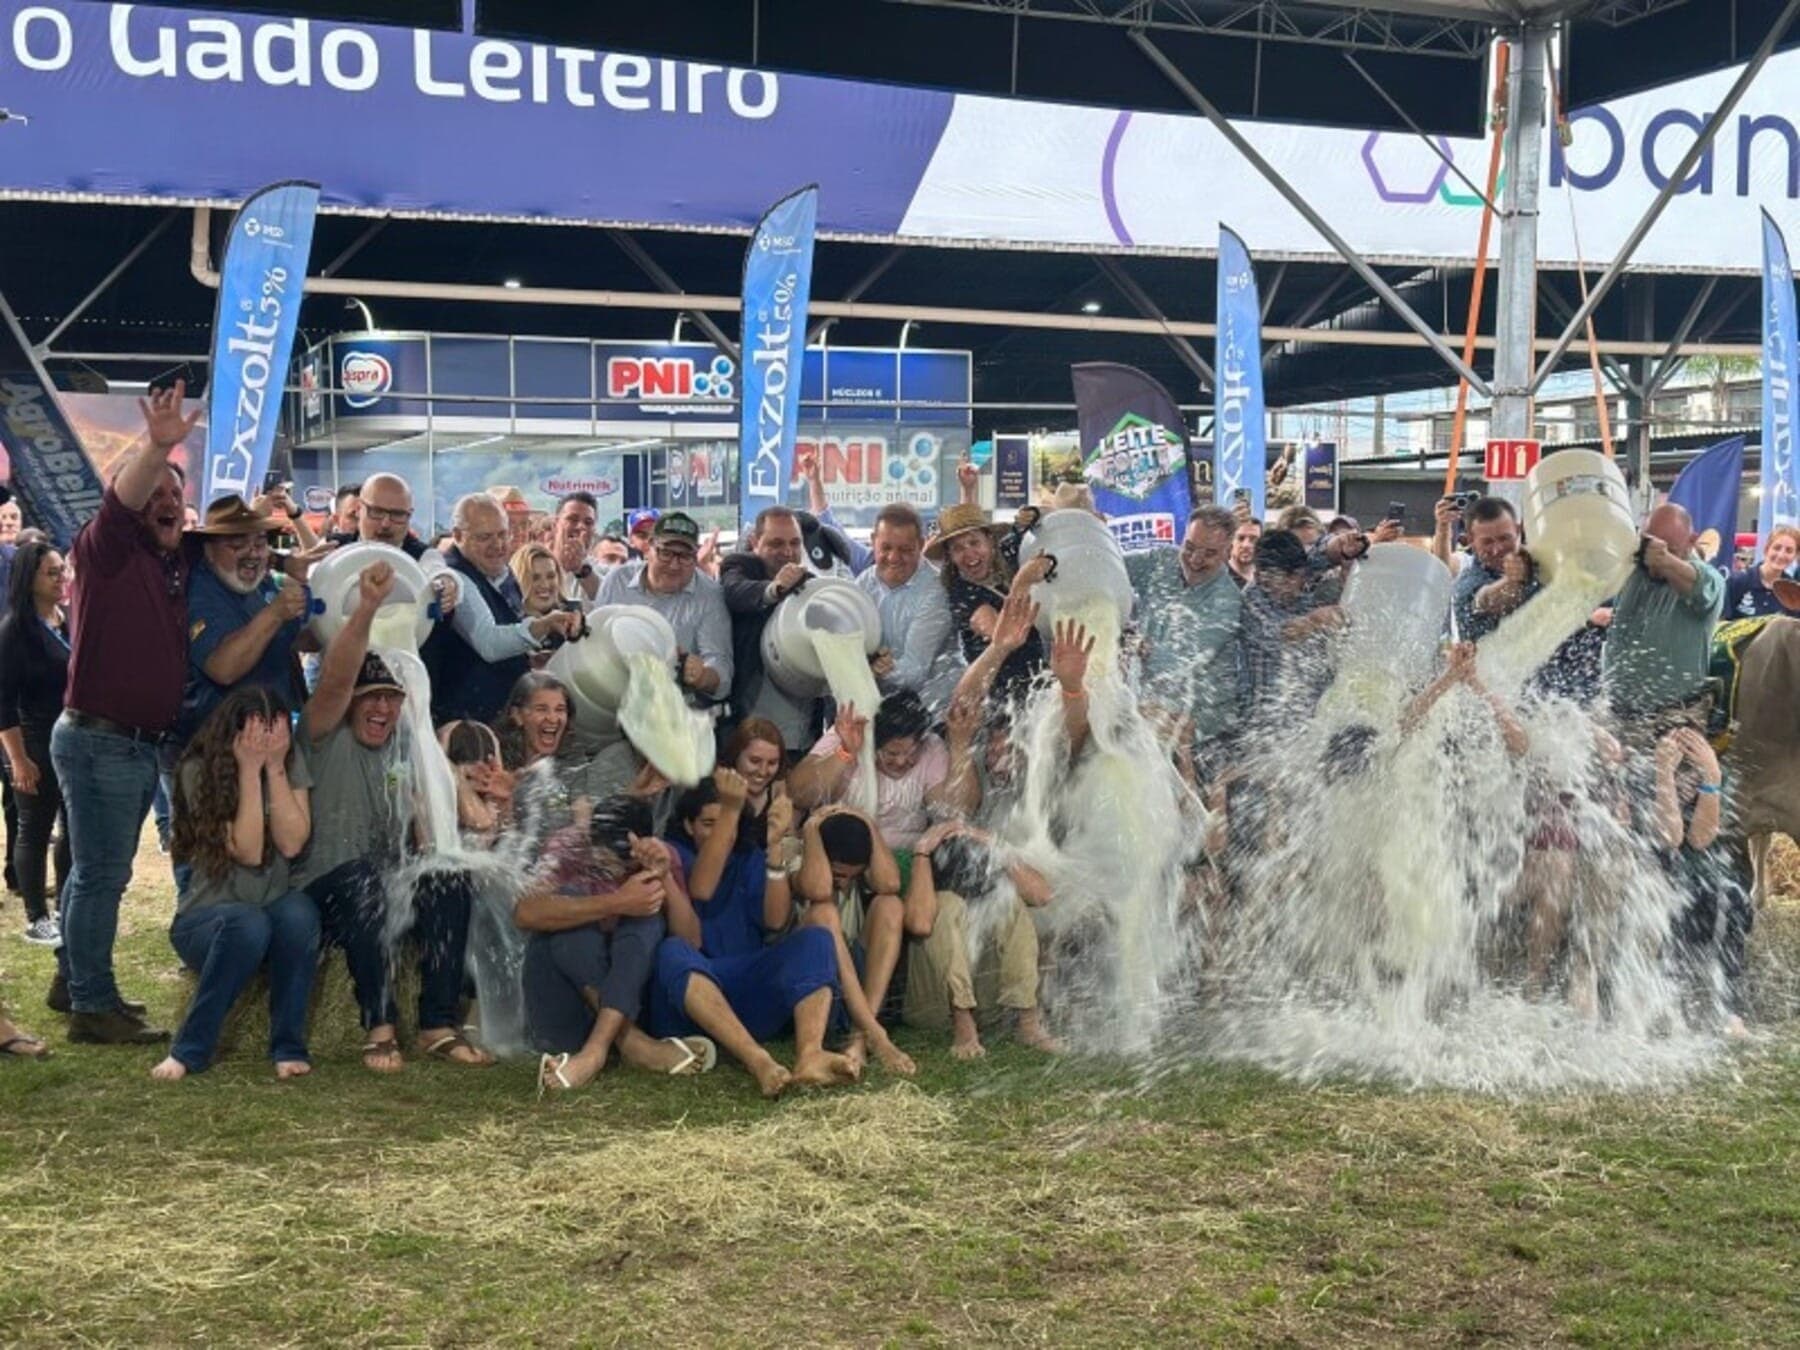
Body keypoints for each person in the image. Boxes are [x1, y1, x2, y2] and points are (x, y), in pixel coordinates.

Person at [297, 559, 492, 1072]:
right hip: (320, 892)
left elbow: (451, 820)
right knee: (365, 877)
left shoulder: (404, 745)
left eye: (392, 698)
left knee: (448, 872)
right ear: (348, 703)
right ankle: (379, 1026)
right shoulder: (321, 734)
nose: (382, 708)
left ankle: (437, 1022)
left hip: (381, 886)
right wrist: (366, 606)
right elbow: (337, 679)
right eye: (371, 697)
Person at [48, 381, 198, 1045]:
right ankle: (93, 1005)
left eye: (175, 494)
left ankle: (73, 978)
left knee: (92, 871)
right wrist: (159, 445)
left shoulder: (169, 564)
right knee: (104, 875)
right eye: (153, 494)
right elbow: (122, 499)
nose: (165, 503)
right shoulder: (104, 549)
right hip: (102, 740)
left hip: (131, 744)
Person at [646, 775, 855, 1096]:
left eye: (725, 822)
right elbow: (700, 896)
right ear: (688, 826)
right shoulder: (674, 854)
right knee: (672, 951)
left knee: (816, 939)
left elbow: (775, 921)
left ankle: (810, 1053)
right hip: (694, 998)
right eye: (707, 823)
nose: (720, 833)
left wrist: (774, 847)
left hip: (749, 983)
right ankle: (756, 1059)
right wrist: (730, 810)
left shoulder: (748, 858)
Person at [154, 687, 318, 1081]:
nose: (266, 743)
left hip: (269, 908)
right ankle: (190, 1049)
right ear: (234, 733)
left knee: (300, 913)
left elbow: (292, 843)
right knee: (248, 923)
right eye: (256, 732)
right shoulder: (198, 771)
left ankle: (288, 1046)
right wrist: (248, 772)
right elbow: (247, 850)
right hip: (209, 920)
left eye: (275, 731)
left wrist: (275, 770)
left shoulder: (288, 763)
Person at [523, 793, 717, 1092]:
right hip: (564, 1008)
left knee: (648, 917)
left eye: (621, 861)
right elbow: (524, 912)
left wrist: (662, 877)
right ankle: (630, 1042)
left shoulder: (659, 855)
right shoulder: (567, 846)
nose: (611, 869)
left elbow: (691, 940)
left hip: (633, 1000)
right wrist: (616, 902)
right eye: (603, 857)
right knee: (574, 912)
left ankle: (598, 1049)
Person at [422, 494, 581, 725]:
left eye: (502, 534)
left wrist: (529, 659)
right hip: (464, 725)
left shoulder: (503, 572)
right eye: (485, 537)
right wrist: (543, 625)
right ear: (457, 536)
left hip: (503, 718)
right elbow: (489, 643)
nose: (497, 545)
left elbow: (510, 630)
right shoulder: (454, 577)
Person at [177, 495, 310, 747]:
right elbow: (223, 668)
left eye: (260, 543)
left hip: (272, 739)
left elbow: (300, 639)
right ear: (209, 550)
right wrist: (274, 614)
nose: (253, 553)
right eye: (237, 543)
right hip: (216, 748)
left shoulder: (262, 583)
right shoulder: (199, 591)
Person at [1125, 504, 1244, 756]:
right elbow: (1111, 566)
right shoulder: (1161, 561)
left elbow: (1184, 661)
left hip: (1205, 730)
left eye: (1209, 553)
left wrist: (1137, 646)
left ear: (1228, 552)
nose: (1195, 560)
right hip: (1151, 712)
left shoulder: (1228, 601)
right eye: (1189, 547)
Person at [0, 540, 70, 946]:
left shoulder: (66, 619)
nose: (61, 578)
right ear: (30, 579)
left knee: (71, 828)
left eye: (63, 570)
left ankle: (64, 904)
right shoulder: (15, 631)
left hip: (69, 739)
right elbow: (3, 703)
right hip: (33, 739)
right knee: (34, 828)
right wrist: (19, 760)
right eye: (52, 572)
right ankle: (36, 915)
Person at [788, 690, 953, 857]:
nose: (901, 762)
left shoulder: (931, 746)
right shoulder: (848, 731)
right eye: (892, 753)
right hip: (841, 852)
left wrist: (961, 742)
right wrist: (845, 752)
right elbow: (799, 796)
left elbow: (948, 812)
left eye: (911, 753)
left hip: (907, 855)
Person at [595, 512, 733, 710]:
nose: (674, 565)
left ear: (695, 558)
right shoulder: (617, 581)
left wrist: (702, 675)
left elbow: (722, 670)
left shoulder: (709, 595)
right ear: (648, 548)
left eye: (685, 556)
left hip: (675, 714)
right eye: (666, 553)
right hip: (613, 704)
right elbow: (595, 640)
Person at [1603, 503, 1726, 723]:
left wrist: (1666, 560)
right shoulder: (1633, 572)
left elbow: (1699, 584)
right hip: (1616, 713)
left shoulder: (1710, 580)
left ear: (1691, 540)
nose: (1654, 561)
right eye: (1650, 546)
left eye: (1669, 549)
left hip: (1674, 720)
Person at [719, 506, 818, 752]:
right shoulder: (738, 565)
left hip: (801, 735)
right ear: (755, 542)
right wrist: (774, 589)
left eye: (795, 543)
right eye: (776, 543)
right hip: (746, 731)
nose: (787, 552)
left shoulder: (812, 586)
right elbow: (735, 591)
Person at [929, 503, 1048, 706]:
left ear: (991, 541)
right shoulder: (961, 593)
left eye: (974, 543)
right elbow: (1002, 635)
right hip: (1000, 697)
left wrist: (1033, 514)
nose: (969, 554)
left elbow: (1052, 515)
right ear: (950, 557)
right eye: (958, 548)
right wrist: (1022, 583)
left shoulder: (1009, 552)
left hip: (1041, 680)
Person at [856, 503, 958, 713]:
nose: (894, 558)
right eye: (886, 548)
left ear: (921, 545)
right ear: (873, 540)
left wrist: (873, 667)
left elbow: (915, 671)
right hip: (878, 711)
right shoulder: (862, 584)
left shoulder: (937, 591)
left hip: (932, 713)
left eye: (905, 550)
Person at [1239, 529, 1343, 717]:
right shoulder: (1250, 602)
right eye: (1285, 579)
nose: (1294, 584)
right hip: (1265, 720)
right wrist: (1314, 620)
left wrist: (1341, 547)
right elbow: (1284, 633)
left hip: (1311, 715)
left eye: (1298, 576)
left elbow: (1319, 556)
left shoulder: (1302, 596)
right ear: (1260, 577)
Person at [1451, 497, 1540, 644]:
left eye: (1504, 538)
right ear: (1471, 540)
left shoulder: (1540, 564)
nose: (1497, 549)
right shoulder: (1467, 584)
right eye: (1487, 542)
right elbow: (1485, 600)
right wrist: (1512, 581)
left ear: (1517, 531)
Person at [1723, 524, 1799, 619]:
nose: (1781, 555)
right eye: (1777, 548)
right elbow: (1721, 623)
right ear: (1766, 549)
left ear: (1795, 556)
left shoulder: (1794, 591)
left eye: (1789, 551)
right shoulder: (1737, 581)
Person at [549, 492, 602, 607]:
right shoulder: (533, 563)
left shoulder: (602, 570)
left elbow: (606, 597)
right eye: (573, 519)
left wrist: (581, 569)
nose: (581, 527)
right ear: (555, 525)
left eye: (588, 522)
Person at [509, 543, 567, 621]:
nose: (545, 585)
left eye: (551, 576)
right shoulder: (504, 625)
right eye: (535, 578)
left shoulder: (573, 620)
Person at [1227, 517, 1261, 590]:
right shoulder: (1218, 578)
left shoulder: (1265, 580)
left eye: (1253, 539)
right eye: (1240, 538)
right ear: (1230, 540)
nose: (1246, 545)